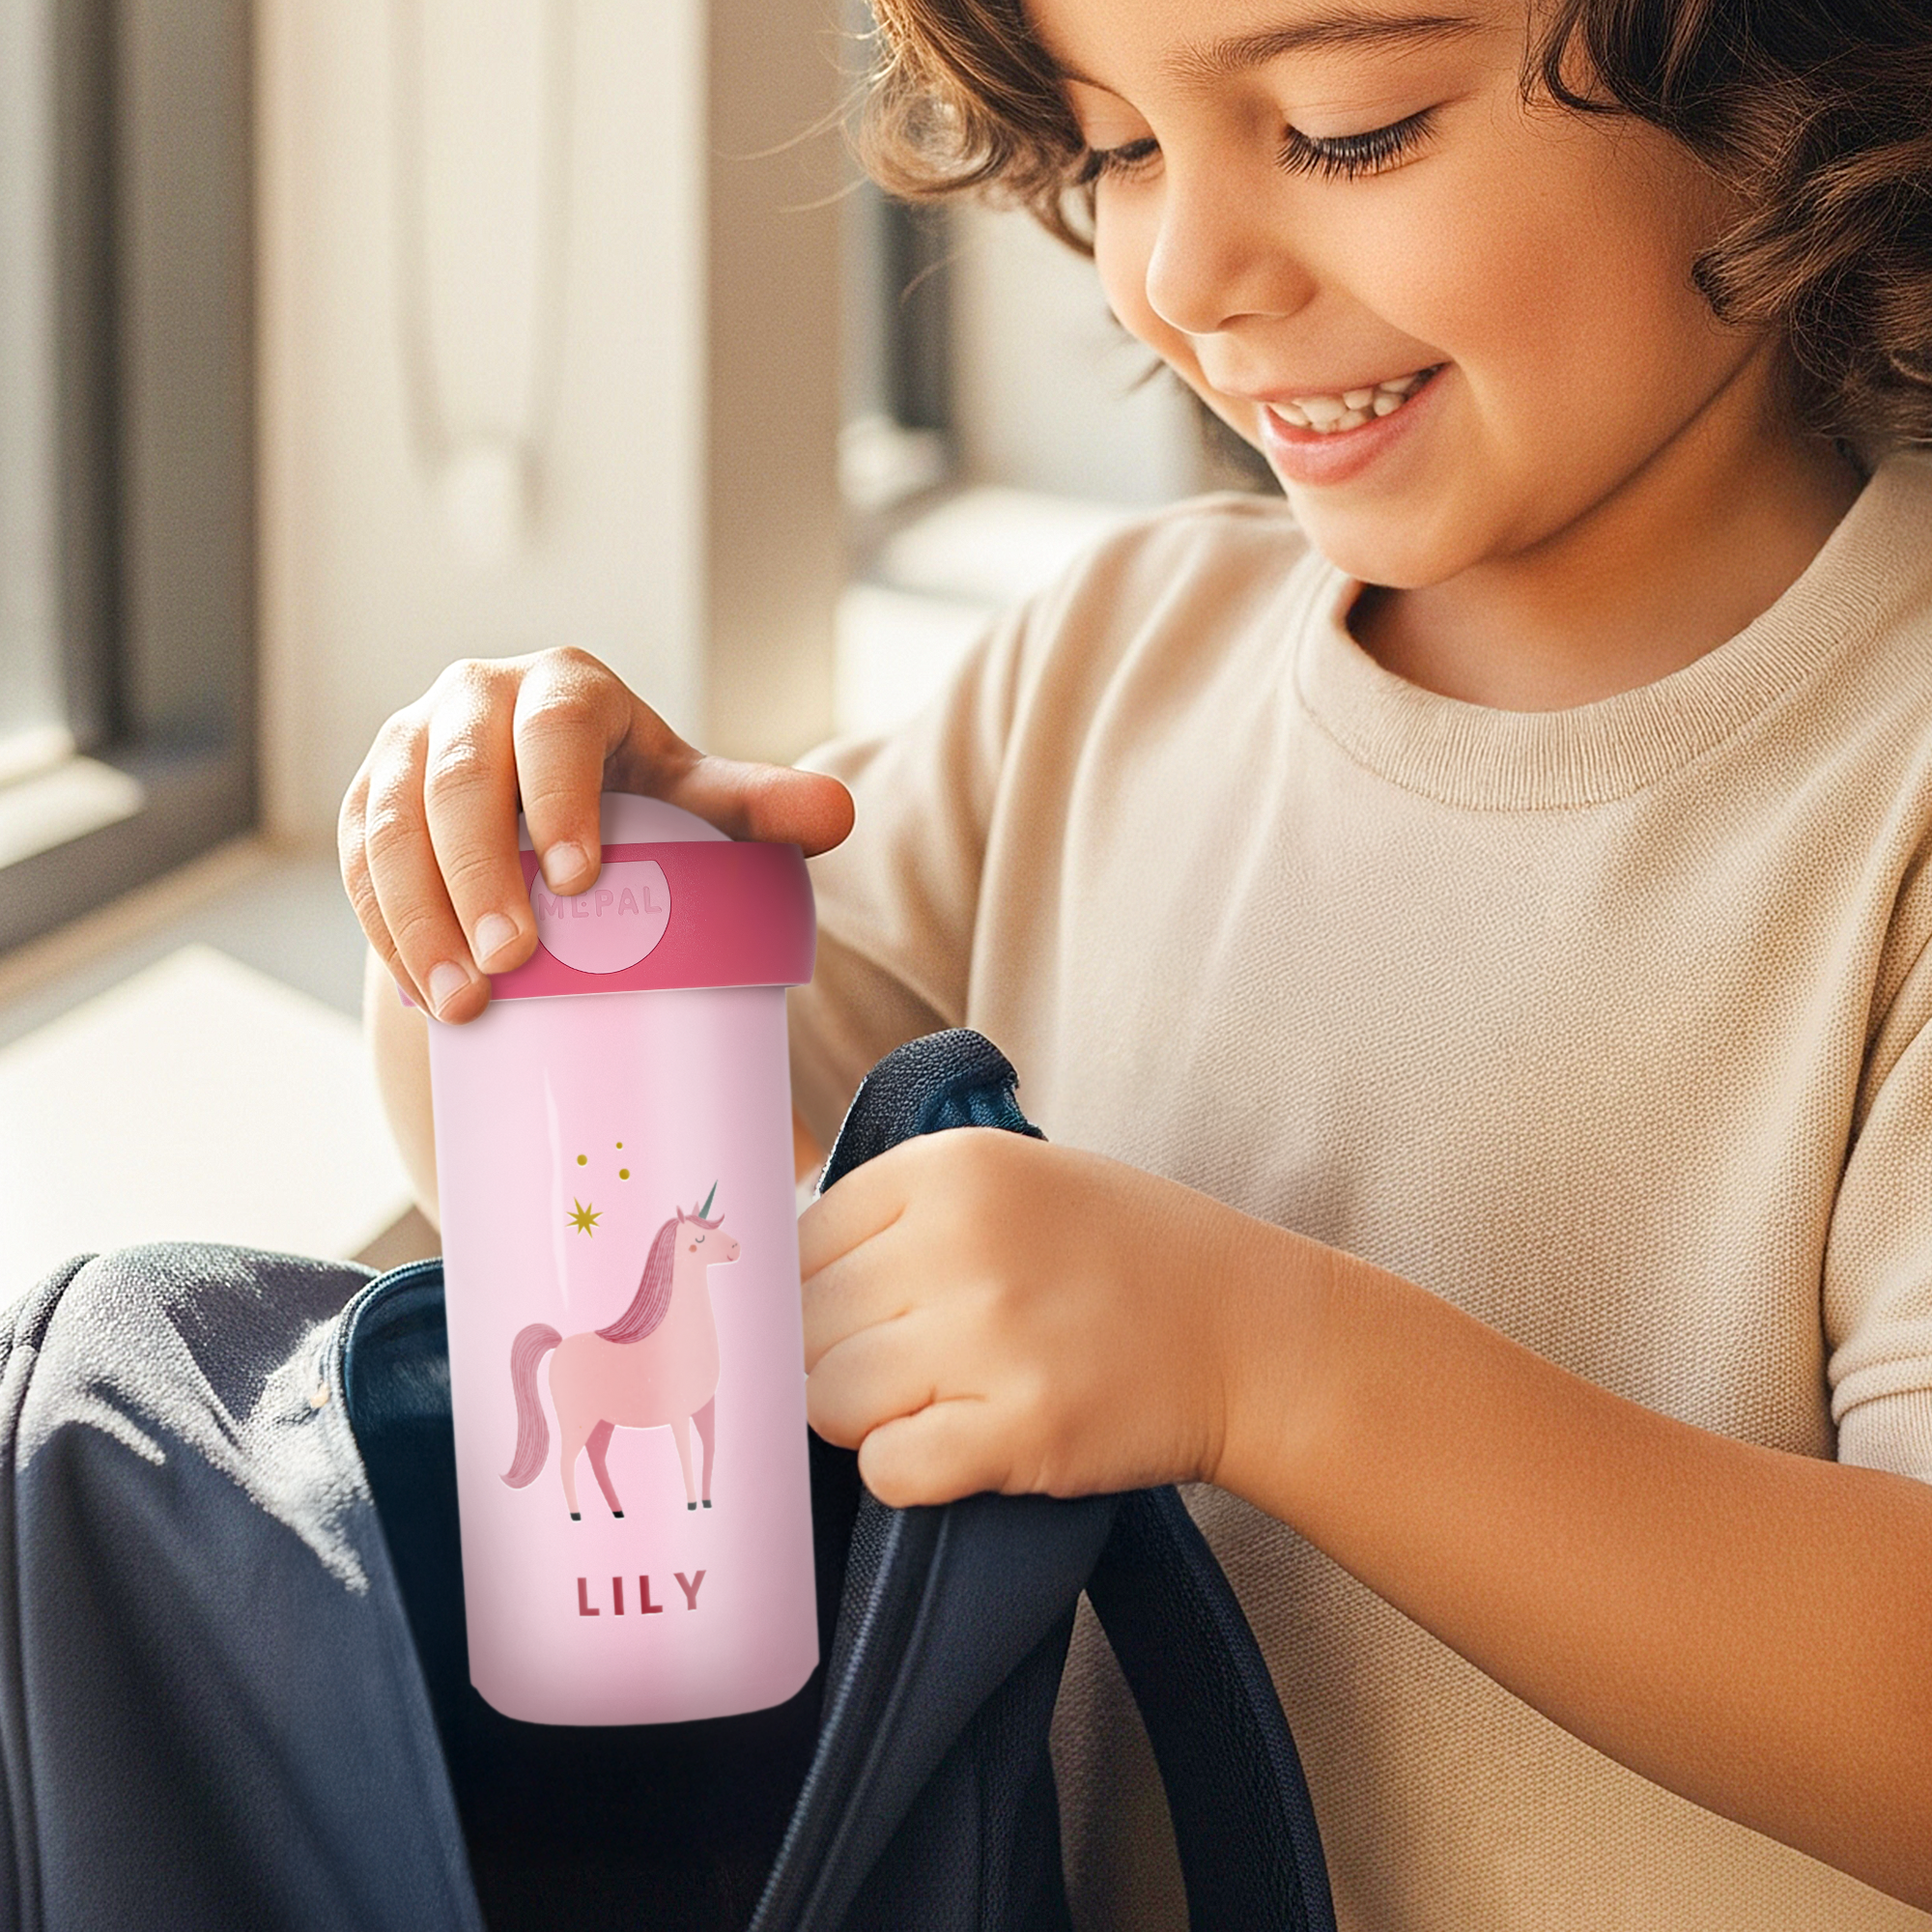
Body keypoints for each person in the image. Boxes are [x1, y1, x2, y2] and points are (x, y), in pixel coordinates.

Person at [339, 0, 1932, 1923]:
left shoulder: (1889, 780)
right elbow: (579, 1217)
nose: (1186, 275)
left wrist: (1268, 1363)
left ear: (1785, 85)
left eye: (1346, 132)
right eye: (1114, 151)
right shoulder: (1101, 664)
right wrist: (532, 901)